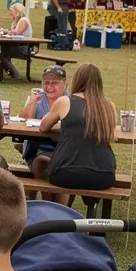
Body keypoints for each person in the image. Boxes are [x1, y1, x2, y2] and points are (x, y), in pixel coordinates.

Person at [35, 63, 117, 205]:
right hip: (104, 174)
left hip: (67, 173)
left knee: (40, 163)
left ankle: (52, 209)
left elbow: (43, 126)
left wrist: (65, 125)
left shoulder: (65, 102)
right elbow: (111, 134)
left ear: (77, 80)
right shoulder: (109, 106)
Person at [18, 65, 68, 167]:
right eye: (46, 82)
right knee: (43, 162)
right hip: (38, 148)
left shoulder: (71, 100)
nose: (49, 87)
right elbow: (23, 122)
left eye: (54, 83)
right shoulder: (37, 97)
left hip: (64, 148)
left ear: (65, 84)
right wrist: (32, 103)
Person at [0, 3, 33, 80]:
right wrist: (6, 31)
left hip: (24, 47)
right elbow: (12, 32)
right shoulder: (16, 21)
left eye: (11, 11)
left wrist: (7, 32)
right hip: (16, 45)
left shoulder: (23, 20)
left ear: (17, 11)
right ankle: (11, 72)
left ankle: (14, 73)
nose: (10, 13)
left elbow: (16, 33)